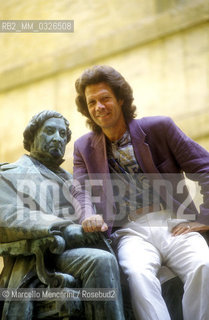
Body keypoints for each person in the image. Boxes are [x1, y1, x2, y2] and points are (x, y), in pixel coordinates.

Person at [73, 65, 209, 320]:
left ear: (120, 99)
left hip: (173, 222)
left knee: (203, 265)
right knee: (137, 275)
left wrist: (204, 217)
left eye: (105, 98)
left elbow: (206, 167)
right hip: (129, 233)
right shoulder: (83, 148)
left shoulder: (160, 128)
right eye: (92, 102)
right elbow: (80, 190)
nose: (99, 107)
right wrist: (87, 215)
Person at [0, 110, 125, 320]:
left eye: (62, 134)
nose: (57, 138)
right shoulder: (8, 174)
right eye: (49, 131)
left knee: (137, 263)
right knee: (100, 262)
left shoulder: (76, 183)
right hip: (42, 260)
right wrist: (65, 229)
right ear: (31, 137)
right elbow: (9, 217)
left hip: (82, 249)